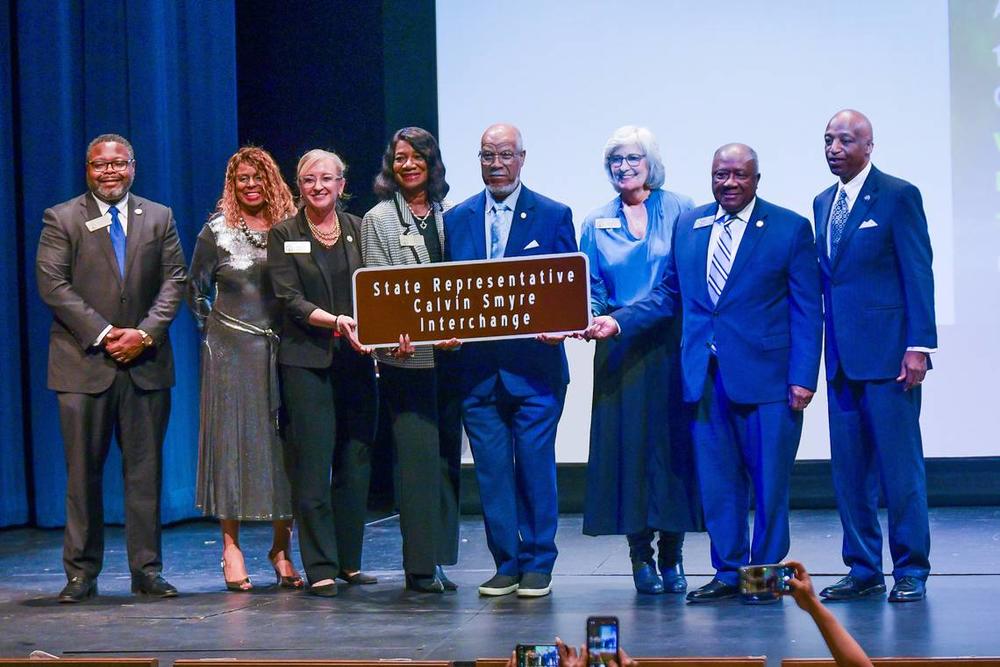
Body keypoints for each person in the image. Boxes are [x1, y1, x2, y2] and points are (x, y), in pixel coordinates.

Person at [586, 144, 823, 602]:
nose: (729, 183)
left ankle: (765, 578)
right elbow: (669, 294)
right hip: (704, 378)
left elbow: (807, 310)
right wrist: (618, 321)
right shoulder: (690, 225)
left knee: (769, 487)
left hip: (770, 382)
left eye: (738, 175)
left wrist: (803, 377)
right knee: (718, 485)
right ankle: (729, 572)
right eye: (720, 175)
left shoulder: (789, 228)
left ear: (757, 178)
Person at [36, 133, 187, 602]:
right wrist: (105, 333)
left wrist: (142, 334)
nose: (110, 173)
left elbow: (175, 281)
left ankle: (147, 571)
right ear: (88, 169)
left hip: (146, 364)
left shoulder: (159, 216)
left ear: (133, 167)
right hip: (83, 366)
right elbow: (53, 285)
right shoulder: (61, 218)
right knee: (82, 474)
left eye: (119, 164)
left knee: (145, 474)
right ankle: (81, 573)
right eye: (101, 165)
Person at [442, 123, 577, 598]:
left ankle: (540, 561)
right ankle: (506, 561)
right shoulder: (456, 218)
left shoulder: (554, 214)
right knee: (492, 472)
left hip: (536, 370)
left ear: (522, 158)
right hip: (477, 373)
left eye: (504, 155)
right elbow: (448, 293)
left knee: (536, 469)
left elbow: (568, 287)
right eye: (486, 156)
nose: (495, 164)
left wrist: (563, 323)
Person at [813, 109, 936, 603]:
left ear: (869, 146)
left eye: (845, 139)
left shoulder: (899, 195)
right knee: (850, 472)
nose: (834, 148)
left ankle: (911, 568)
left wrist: (919, 346)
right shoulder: (822, 202)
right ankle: (863, 567)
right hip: (841, 359)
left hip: (890, 360)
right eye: (827, 140)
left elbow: (918, 271)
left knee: (899, 470)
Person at [579, 125, 702, 595]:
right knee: (628, 453)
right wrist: (589, 319)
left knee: (672, 450)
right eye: (615, 160)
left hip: (671, 343)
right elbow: (589, 287)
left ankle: (673, 556)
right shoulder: (595, 221)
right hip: (618, 346)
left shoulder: (682, 208)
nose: (624, 167)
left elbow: (683, 283)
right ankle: (640, 558)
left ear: (651, 162)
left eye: (632, 158)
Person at [351, 127, 463, 593]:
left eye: (418, 156)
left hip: (452, 359)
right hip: (406, 360)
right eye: (400, 158)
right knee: (415, 463)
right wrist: (393, 338)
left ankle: (439, 559)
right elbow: (380, 286)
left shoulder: (450, 215)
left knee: (444, 460)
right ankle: (418, 568)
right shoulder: (377, 218)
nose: (409, 164)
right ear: (390, 166)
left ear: (432, 162)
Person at [188, 146, 302, 592]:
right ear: (231, 186)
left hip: (284, 350)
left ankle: (281, 547)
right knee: (232, 446)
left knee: (284, 447)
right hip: (231, 354)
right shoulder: (216, 232)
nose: (250, 185)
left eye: (258, 178)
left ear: (271, 180)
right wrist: (213, 338)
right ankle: (230, 547)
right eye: (241, 180)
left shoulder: (291, 228)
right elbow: (194, 291)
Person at [266, 149, 377, 597]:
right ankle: (320, 566)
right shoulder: (284, 234)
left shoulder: (357, 229)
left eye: (327, 179)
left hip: (355, 360)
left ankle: (349, 561)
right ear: (299, 185)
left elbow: (374, 288)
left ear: (342, 185)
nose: (318, 187)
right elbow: (287, 298)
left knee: (355, 463)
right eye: (310, 179)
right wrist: (335, 322)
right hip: (305, 363)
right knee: (312, 467)